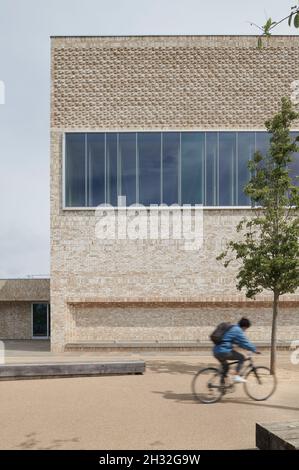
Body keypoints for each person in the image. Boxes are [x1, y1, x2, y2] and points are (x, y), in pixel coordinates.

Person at [213, 317, 260, 383]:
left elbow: (238, 343)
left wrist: (245, 348)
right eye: (246, 329)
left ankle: (222, 387)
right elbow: (244, 342)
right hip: (224, 351)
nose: (245, 330)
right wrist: (254, 349)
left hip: (216, 351)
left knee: (225, 368)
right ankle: (236, 376)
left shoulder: (232, 328)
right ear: (244, 327)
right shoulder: (238, 330)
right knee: (241, 357)